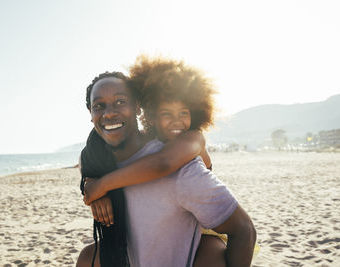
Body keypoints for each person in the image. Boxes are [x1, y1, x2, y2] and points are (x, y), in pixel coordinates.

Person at [77, 60, 256, 267]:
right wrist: (92, 190)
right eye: (99, 106)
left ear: (137, 107)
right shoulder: (95, 161)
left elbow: (244, 229)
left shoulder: (181, 166)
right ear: (91, 114)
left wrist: (101, 186)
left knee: (213, 253)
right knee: (87, 258)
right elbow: (86, 166)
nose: (108, 113)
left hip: (203, 242)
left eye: (119, 102)